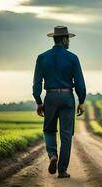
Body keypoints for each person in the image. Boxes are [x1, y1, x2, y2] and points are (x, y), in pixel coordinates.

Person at [32, 26, 86, 178]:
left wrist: (38, 101)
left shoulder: (42, 57)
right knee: (66, 135)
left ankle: (52, 155)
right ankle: (62, 170)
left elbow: (37, 83)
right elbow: (80, 83)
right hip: (68, 97)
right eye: (68, 39)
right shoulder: (73, 58)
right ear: (64, 39)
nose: (69, 42)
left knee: (49, 129)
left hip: (50, 97)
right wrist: (81, 101)